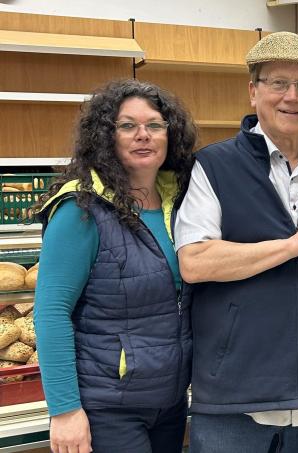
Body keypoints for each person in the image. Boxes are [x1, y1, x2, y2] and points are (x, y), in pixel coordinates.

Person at [174, 32, 298, 453]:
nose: (292, 96)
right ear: (253, 91)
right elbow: (195, 261)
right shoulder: (213, 166)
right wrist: (293, 244)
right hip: (236, 396)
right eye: (278, 83)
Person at [32, 79, 197, 453]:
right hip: (108, 407)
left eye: (155, 125)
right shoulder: (82, 209)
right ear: (107, 135)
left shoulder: (182, 204)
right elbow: (51, 312)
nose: (143, 135)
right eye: (127, 126)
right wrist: (64, 410)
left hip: (170, 402)